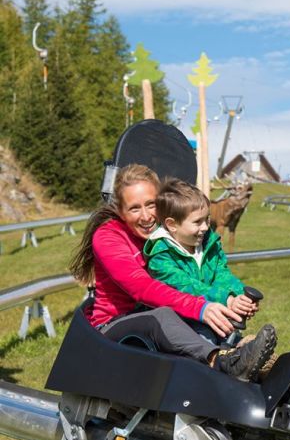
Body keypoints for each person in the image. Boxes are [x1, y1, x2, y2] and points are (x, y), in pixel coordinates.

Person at [69, 164, 277, 382]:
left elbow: (201, 274)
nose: (146, 216)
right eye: (134, 208)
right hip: (115, 324)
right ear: (120, 211)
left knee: (182, 316)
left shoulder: (168, 232)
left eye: (151, 205)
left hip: (159, 316)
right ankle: (221, 360)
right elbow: (142, 287)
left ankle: (264, 362)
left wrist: (231, 297)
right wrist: (200, 307)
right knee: (162, 316)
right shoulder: (108, 237)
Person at [144, 178, 258, 344]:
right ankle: (227, 359)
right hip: (178, 321)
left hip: (211, 313)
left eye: (206, 219)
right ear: (172, 225)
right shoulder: (161, 255)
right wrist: (226, 299)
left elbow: (221, 273)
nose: (205, 227)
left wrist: (240, 295)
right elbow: (186, 285)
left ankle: (245, 355)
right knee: (207, 338)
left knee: (226, 334)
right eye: (197, 222)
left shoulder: (208, 243)